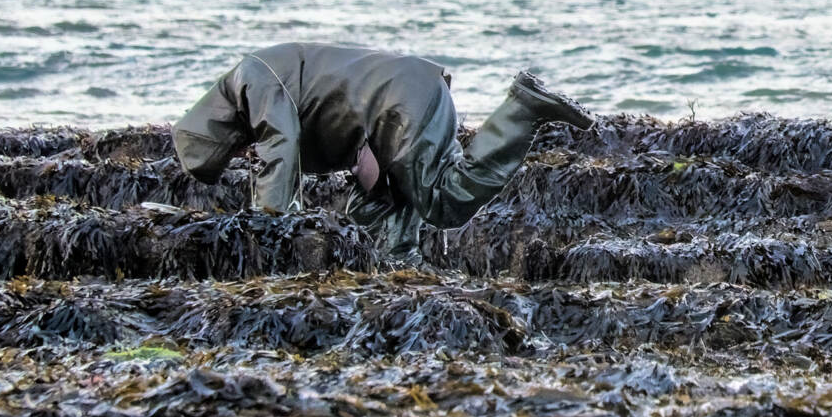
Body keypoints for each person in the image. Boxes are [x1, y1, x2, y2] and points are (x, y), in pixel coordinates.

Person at [172, 43, 594, 263]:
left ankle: (521, 109)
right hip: (387, 110)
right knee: (371, 218)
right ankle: (402, 269)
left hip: (397, 101)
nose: (243, 156)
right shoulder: (260, 78)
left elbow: (280, 157)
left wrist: (269, 231)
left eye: (231, 153)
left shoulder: (253, 79)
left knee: (444, 200)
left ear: (219, 132)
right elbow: (308, 135)